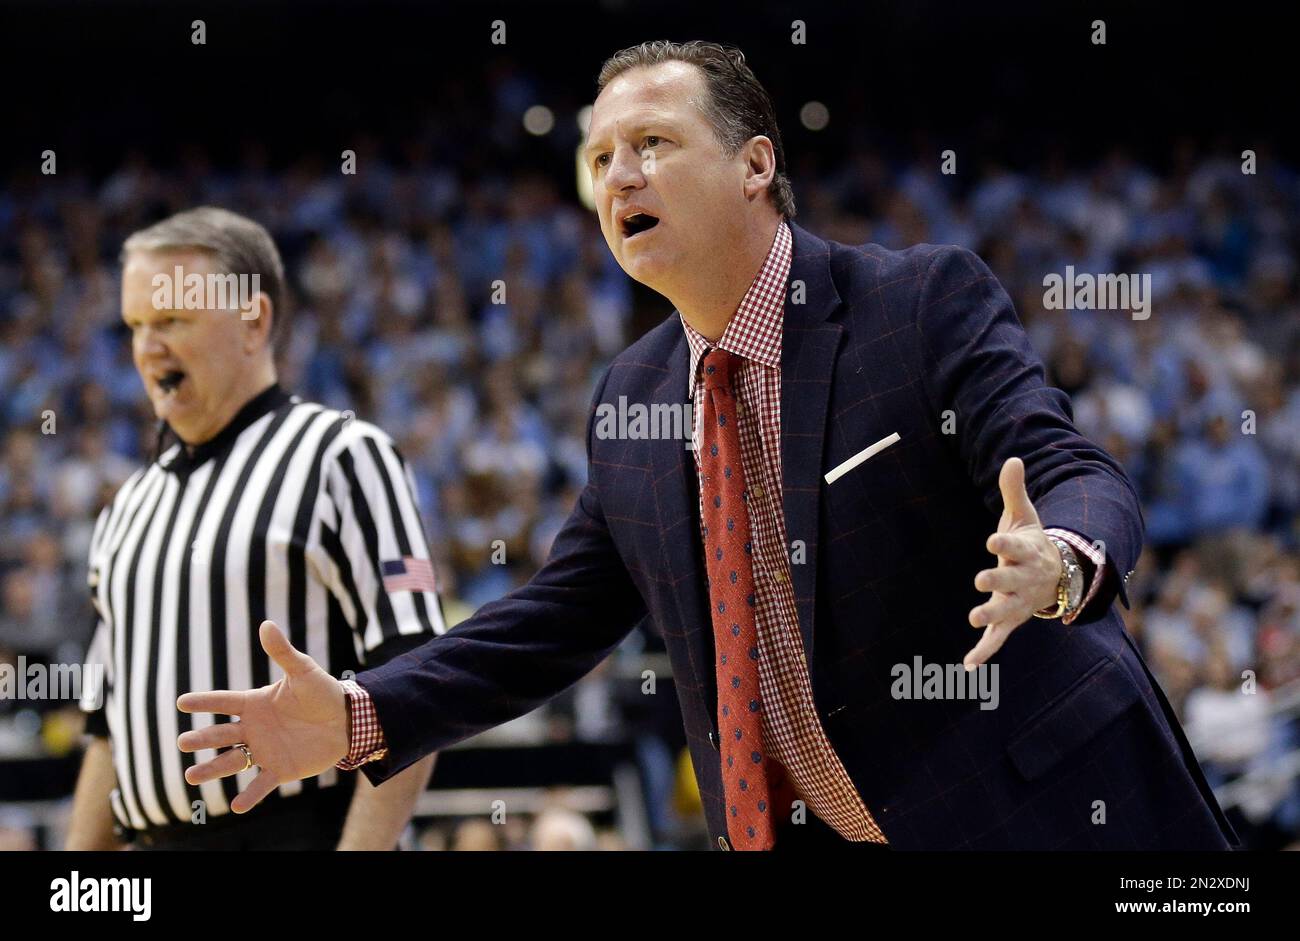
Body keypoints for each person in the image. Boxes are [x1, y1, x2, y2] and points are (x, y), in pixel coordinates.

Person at [177, 43, 1236, 851]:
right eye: (599, 159)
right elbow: (552, 619)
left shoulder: (916, 303)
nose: (618, 177)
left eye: (652, 144)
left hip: (1049, 810)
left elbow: (1071, 469)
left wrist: (1059, 561)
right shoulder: (631, 397)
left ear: (754, 165)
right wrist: (363, 711)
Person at [66, 207, 443, 850]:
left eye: (172, 320)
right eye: (136, 325)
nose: (147, 348)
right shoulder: (125, 506)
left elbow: (414, 687)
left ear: (253, 320)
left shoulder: (342, 455)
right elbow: (108, 730)